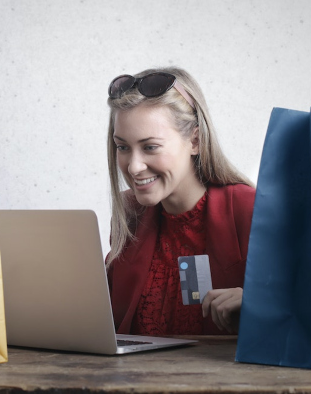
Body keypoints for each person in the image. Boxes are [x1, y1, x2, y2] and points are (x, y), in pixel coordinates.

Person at [105, 67, 256, 335]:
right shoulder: (131, 215)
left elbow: (310, 304)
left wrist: (261, 305)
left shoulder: (249, 210)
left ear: (195, 141)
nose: (134, 166)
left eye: (150, 147)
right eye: (123, 147)